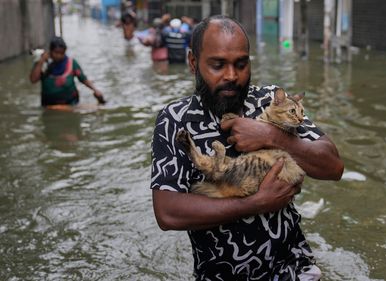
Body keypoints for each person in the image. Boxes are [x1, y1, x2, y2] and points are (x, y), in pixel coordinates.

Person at [150, 15, 344, 280]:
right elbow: (168, 212)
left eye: (241, 64)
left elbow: (333, 166)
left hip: (294, 268)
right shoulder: (175, 120)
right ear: (193, 63)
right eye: (218, 65)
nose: (232, 76)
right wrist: (255, 203)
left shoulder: (272, 100)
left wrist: (272, 136)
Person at [30, 37, 105, 107]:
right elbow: (33, 80)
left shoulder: (71, 63)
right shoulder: (43, 64)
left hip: (71, 103)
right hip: (48, 105)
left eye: (62, 53)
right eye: (56, 52)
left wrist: (95, 90)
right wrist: (41, 61)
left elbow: (83, 79)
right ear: (50, 51)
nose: (59, 56)